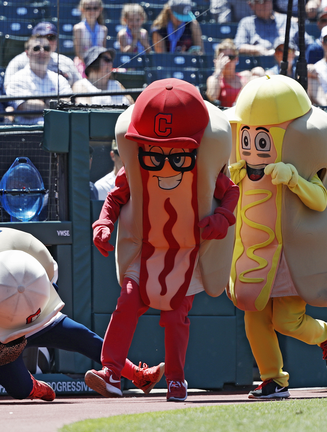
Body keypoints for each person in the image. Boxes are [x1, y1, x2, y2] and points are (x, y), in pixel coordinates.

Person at [87, 79, 239, 402]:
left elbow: (230, 194)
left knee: (174, 316)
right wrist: (103, 223)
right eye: (155, 154)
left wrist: (222, 219)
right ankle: (112, 372)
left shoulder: (206, 169)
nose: (166, 161)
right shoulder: (138, 169)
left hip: (189, 254)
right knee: (127, 302)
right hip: (148, 249)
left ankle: (176, 379)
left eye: (179, 154)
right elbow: (115, 197)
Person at [0, 227, 166, 402]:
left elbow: (51, 270)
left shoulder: (28, 253)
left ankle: (138, 377)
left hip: (37, 313)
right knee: (20, 389)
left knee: (83, 336)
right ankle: (34, 388)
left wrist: (44, 287)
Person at [225, 75, 327, 399]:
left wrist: (293, 179)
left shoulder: (297, 162)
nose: (252, 147)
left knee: (287, 321)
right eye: (246, 138)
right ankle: (273, 380)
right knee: (253, 317)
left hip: (289, 256)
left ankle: (325, 333)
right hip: (254, 254)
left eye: (261, 139)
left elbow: (320, 200)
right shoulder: (238, 169)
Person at [6, 35, 73, 126]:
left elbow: (66, 105)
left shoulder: (59, 79)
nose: (42, 51)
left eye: (46, 48)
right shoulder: (17, 78)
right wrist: (52, 104)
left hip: (58, 130)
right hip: (29, 133)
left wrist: (41, 102)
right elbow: (25, 108)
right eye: (36, 48)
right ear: (27, 53)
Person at [4, 22, 80, 87]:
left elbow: (79, 84)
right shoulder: (18, 62)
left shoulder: (65, 61)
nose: (47, 41)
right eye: (41, 37)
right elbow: (8, 87)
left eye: (51, 37)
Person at [205, 39, 252, 107]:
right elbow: (212, 97)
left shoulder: (246, 76)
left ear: (236, 59)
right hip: (226, 116)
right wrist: (218, 71)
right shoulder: (213, 79)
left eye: (231, 57)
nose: (227, 61)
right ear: (217, 60)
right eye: (223, 58)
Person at [73, 0, 108, 77]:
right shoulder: (78, 28)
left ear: (100, 9)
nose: (92, 11)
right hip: (82, 64)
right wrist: (91, 65)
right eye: (88, 8)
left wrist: (98, 65)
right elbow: (79, 53)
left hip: (99, 65)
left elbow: (103, 50)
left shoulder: (103, 29)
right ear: (82, 10)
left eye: (95, 8)